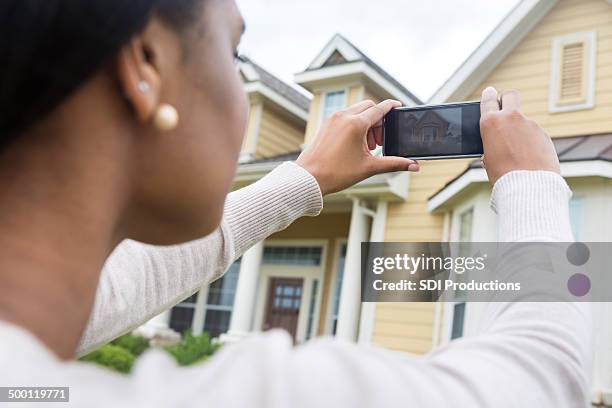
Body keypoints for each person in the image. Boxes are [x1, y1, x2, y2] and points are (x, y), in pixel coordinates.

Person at [0, 1, 590, 407]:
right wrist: (532, 183)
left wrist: (304, 178)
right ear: (145, 65)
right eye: (234, 56)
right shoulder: (274, 393)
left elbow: (133, 276)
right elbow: (544, 373)